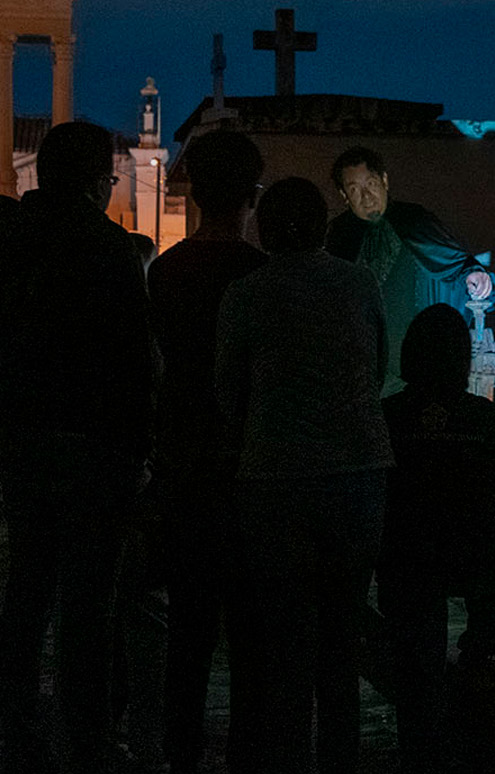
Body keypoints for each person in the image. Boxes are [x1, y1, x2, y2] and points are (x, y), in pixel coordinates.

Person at [215, 177, 391, 774]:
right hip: (357, 475)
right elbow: (379, 363)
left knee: (285, 645)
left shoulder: (246, 294)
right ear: (321, 225)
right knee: (342, 641)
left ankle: (288, 757)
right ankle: (340, 758)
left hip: (274, 479)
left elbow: (227, 392)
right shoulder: (359, 283)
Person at [0, 121, 154, 774]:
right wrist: (141, 448)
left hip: (24, 442)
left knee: (26, 591)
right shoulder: (110, 249)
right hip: (97, 451)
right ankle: (86, 738)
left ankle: (15, 728)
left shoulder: (11, 242)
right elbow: (136, 364)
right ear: (99, 180)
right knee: (88, 607)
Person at [146, 129, 267, 774]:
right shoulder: (261, 276)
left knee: (186, 640)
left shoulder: (166, 273)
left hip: (186, 473)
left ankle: (180, 755)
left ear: (191, 191)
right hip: (250, 476)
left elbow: (156, 376)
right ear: (252, 196)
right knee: (253, 643)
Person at [378, 304, 495, 769]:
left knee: (414, 648)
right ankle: (478, 663)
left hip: (407, 550)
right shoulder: (482, 417)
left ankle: (419, 732)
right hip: (468, 547)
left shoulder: (390, 415)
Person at [326, 145, 495, 391]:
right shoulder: (339, 235)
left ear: (384, 180)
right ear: (344, 195)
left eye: (371, 184)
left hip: (409, 361)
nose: (366, 196)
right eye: (355, 190)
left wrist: (473, 273)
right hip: (355, 365)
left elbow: (452, 261)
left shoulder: (414, 220)